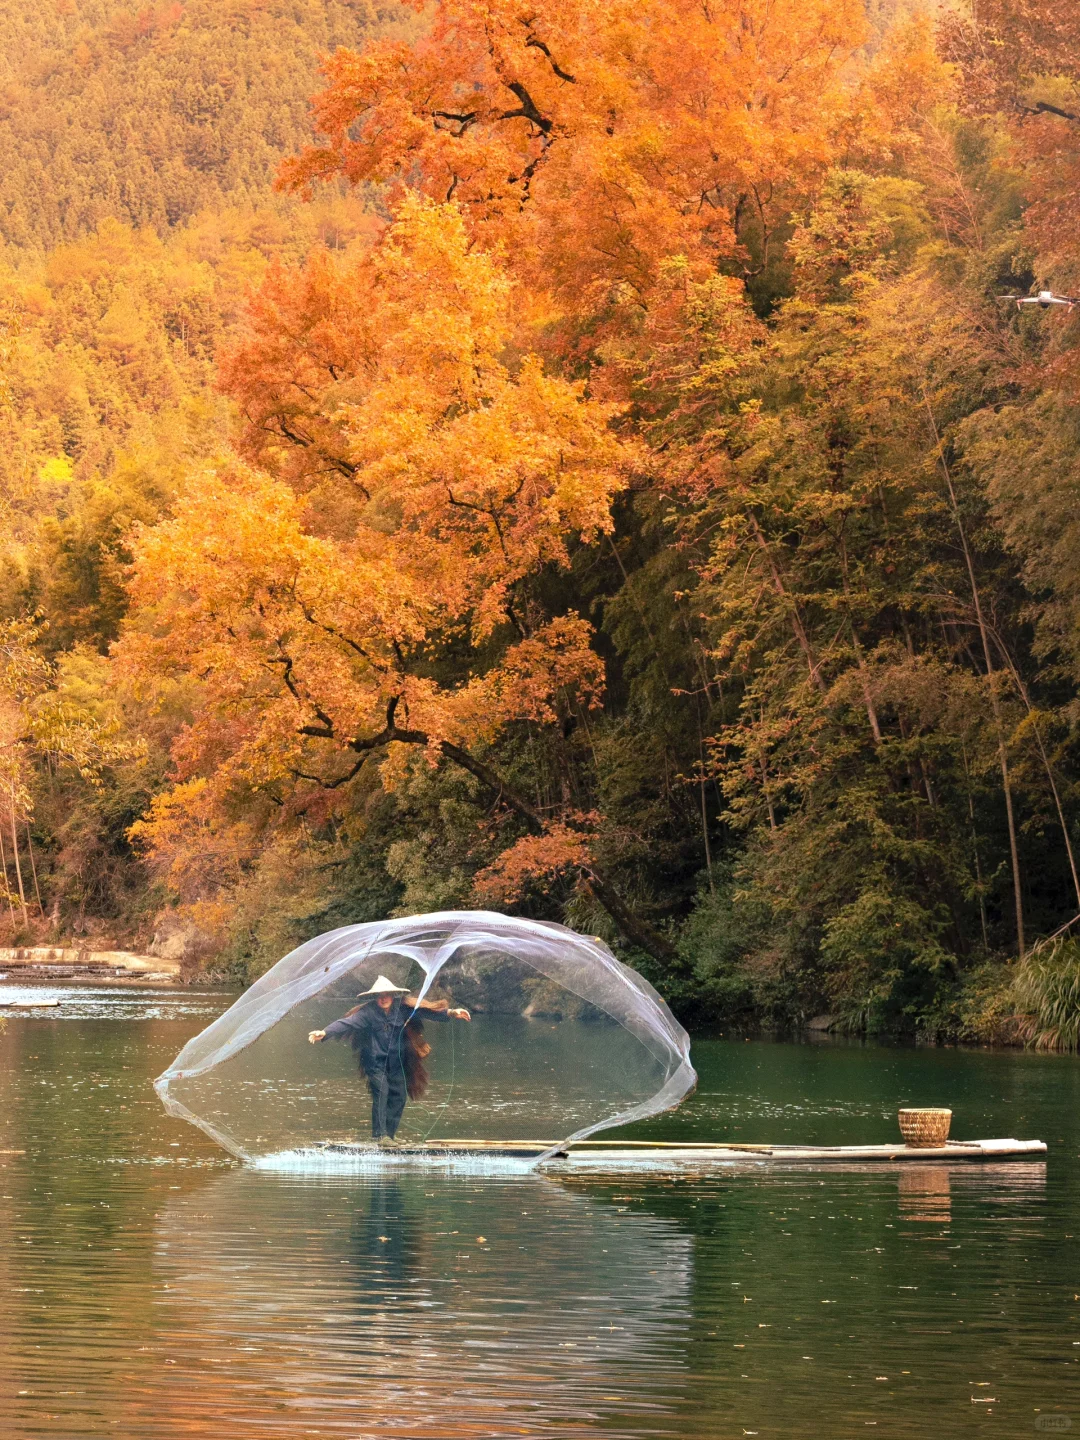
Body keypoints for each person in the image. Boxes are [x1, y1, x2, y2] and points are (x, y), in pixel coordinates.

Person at [308, 975, 471, 1145]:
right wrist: (325, 1032)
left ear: (392, 996)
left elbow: (426, 1011)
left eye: (387, 995)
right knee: (382, 1092)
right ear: (375, 997)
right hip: (375, 1063)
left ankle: (390, 1136)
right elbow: (347, 1023)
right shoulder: (368, 1012)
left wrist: (452, 1012)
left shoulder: (403, 1009)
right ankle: (380, 1136)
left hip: (397, 1062)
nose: (383, 998)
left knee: (399, 1095)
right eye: (380, 995)